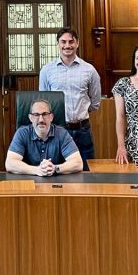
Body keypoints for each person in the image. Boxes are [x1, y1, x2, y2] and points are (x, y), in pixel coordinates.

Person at [38, 27, 101, 169]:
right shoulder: (47, 70)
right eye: (63, 42)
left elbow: (95, 102)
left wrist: (81, 112)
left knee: (87, 170)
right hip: (57, 129)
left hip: (82, 129)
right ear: (58, 44)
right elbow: (44, 102)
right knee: (57, 170)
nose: (67, 46)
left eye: (71, 42)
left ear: (77, 43)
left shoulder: (89, 70)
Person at [5, 99, 83, 177]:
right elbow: (10, 164)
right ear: (30, 118)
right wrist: (37, 170)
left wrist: (55, 168)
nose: (41, 119)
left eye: (45, 114)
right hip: (29, 182)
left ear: (51, 117)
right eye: (36, 115)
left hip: (56, 182)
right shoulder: (22, 133)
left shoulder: (62, 133)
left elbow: (78, 163)